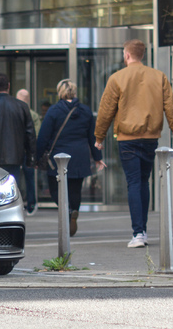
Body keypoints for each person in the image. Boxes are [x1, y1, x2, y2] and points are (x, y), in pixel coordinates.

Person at [95, 39, 173, 248]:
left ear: (127, 55)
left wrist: (99, 137)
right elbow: (170, 107)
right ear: (142, 55)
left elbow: (106, 110)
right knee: (144, 181)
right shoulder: (159, 77)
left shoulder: (117, 78)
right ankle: (143, 231)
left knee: (133, 182)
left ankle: (138, 232)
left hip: (127, 138)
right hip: (150, 137)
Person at [37, 79, 105, 237]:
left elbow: (43, 137)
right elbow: (92, 137)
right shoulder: (86, 111)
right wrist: (97, 157)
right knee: (75, 189)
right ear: (75, 92)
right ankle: (74, 210)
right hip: (80, 156)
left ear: (60, 92)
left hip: (58, 158)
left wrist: (37, 157)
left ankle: (66, 210)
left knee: (55, 189)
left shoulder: (53, 111)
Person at [0, 73, 36, 186]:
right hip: (14, 157)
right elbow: (30, 134)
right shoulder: (21, 106)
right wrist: (31, 157)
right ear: (9, 86)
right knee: (12, 189)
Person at [16, 89, 40, 215]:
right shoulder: (33, 115)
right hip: (28, 150)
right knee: (29, 178)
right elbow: (35, 134)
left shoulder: (13, 112)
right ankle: (31, 204)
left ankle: (16, 203)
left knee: (13, 178)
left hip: (14, 150)